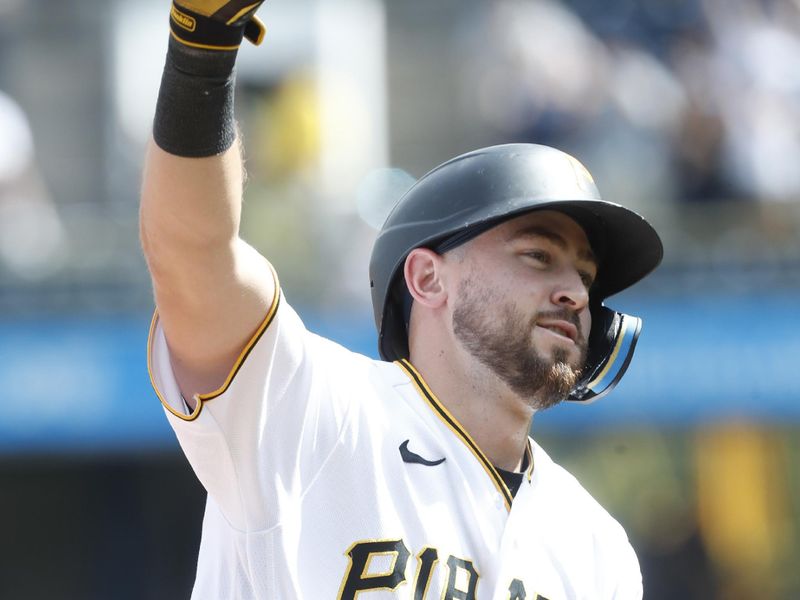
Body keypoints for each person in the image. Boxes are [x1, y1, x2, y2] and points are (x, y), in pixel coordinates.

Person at [141, 1, 664, 598]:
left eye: (586, 277)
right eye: (538, 255)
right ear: (427, 279)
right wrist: (201, 50)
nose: (575, 293)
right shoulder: (317, 414)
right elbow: (191, 256)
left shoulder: (595, 547)